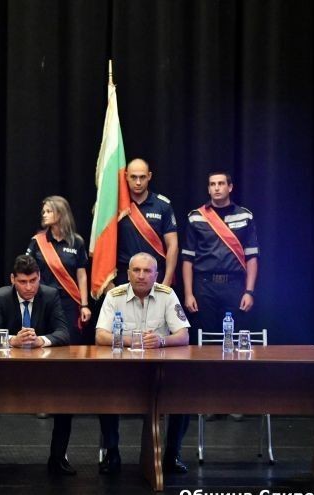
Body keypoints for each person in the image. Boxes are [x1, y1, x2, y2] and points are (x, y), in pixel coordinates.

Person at [95, 252, 191, 475]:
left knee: (183, 395)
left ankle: (172, 454)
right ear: (128, 273)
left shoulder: (167, 295)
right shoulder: (114, 296)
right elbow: (100, 336)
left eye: (147, 271)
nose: (141, 275)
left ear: (156, 275)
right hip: (123, 371)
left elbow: (183, 335)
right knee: (105, 392)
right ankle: (112, 453)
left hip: (159, 371)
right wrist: (134, 340)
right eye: (136, 270)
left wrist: (161, 341)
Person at [0, 255, 72, 475]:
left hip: (44, 371)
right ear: (13, 279)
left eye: (33, 281)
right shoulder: (1, 297)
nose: (29, 287)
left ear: (39, 277)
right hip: (6, 371)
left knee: (67, 399)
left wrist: (41, 340)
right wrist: (13, 340)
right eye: (23, 282)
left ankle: (58, 459)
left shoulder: (50, 295)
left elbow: (63, 333)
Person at [182, 171, 259, 333]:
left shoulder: (244, 216)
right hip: (204, 287)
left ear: (230, 187)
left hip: (235, 286)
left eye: (221, 183)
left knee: (234, 337)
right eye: (212, 184)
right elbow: (187, 259)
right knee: (205, 337)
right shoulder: (196, 217)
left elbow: (251, 257)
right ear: (208, 189)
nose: (216, 188)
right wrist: (188, 294)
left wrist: (249, 292)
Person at [26, 196, 91, 345]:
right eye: (44, 212)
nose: (44, 215)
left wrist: (84, 305)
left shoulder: (77, 242)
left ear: (61, 213)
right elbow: (27, 270)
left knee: (70, 343)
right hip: (43, 300)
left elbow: (82, 275)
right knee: (42, 342)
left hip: (68, 302)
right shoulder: (37, 241)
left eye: (49, 211)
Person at [114, 158, 179, 286]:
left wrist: (167, 281)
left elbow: (173, 245)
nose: (138, 182)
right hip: (124, 276)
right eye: (133, 177)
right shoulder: (116, 206)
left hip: (154, 275)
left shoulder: (163, 205)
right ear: (126, 176)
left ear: (149, 176)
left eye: (142, 177)